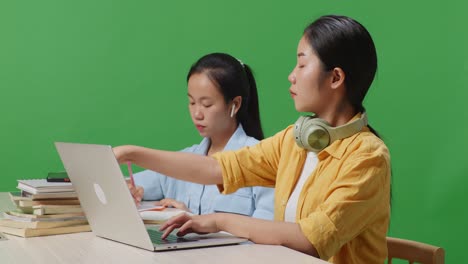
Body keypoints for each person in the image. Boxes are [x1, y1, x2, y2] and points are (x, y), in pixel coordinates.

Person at [114, 15, 390, 263]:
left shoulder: (368, 158)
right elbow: (216, 168)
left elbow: (310, 240)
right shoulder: (293, 142)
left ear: (336, 78)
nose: (291, 76)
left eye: (302, 64)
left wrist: (218, 220)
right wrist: (132, 153)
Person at [129, 53, 274, 220]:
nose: (197, 113)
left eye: (207, 104)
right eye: (192, 102)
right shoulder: (182, 161)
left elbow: (266, 233)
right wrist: (131, 190)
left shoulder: (261, 161)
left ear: (235, 104)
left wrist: (194, 221)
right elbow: (127, 184)